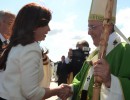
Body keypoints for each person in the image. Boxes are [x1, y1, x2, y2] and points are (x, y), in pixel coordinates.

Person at [0, 3, 71, 100]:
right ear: (34, 25)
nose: (49, 29)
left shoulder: (15, 45)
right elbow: (32, 93)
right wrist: (58, 89)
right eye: (46, 24)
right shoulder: (31, 48)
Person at [62, 0, 130, 100]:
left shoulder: (125, 51)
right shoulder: (93, 54)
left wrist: (110, 81)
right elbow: (81, 80)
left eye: (92, 27)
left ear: (108, 26)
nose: (88, 32)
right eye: (88, 27)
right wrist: (71, 88)